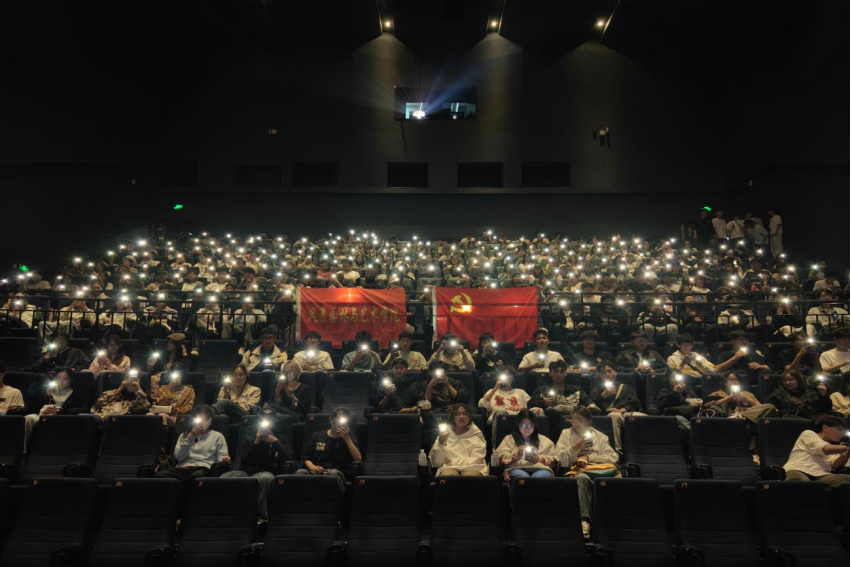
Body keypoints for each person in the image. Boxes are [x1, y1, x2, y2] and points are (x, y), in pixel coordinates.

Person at [554, 406, 619, 539]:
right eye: (573, 420)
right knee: (582, 479)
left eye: (580, 420)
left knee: (618, 478)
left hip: (598, 469)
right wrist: (575, 448)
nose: (576, 423)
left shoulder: (600, 436)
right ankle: (584, 522)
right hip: (577, 470)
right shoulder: (566, 434)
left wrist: (590, 457)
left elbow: (613, 457)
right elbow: (558, 457)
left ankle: (614, 522)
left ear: (588, 420)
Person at [221, 416, 294, 522]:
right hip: (246, 471)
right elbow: (245, 459)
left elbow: (288, 458)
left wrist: (276, 443)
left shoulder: (280, 438)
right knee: (224, 477)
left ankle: (262, 518)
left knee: (265, 478)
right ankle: (225, 515)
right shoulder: (250, 438)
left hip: (268, 471)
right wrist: (257, 441)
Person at [296, 407, 362, 497]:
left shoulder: (349, 438)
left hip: (337, 472)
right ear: (331, 421)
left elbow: (358, 459)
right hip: (316, 470)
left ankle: (333, 503)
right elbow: (306, 458)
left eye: (340, 424)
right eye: (334, 423)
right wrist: (313, 468)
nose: (337, 427)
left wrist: (347, 439)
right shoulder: (317, 436)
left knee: (332, 474)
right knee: (300, 472)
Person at [155, 405, 230, 482]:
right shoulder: (184, 436)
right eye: (200, 419)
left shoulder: (218, 436)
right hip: (183, 468)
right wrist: (191, 437)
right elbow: (179, 457)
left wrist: (225, 459)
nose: (203, 422)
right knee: (160, 475)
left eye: (206, 419)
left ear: (211, 420)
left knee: (197, 476)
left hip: (203, 468)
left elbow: (222, 458)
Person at [529, 360, 600, 434]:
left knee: (594, 410)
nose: (559, 374)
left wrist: (591, 404)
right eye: (555, 371)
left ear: (566, 373)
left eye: (562, 371)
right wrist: (544, 402)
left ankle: (589, 435)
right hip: (553, 418)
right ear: (550, 373)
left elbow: (587, 401)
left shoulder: (576, 389)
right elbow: (530, 404)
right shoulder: (542, 390)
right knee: (549, 411)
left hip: (574, 416)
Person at [589, 362, 646, 453]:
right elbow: (593, 408)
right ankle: (617, 452)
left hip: (626, 413)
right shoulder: (595, 391)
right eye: (604, 372)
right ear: (599, 375)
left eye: (610, 371)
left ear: (615, 372)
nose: (608, 374)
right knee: (614, 415)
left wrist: (621, 410)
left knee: (643, 417)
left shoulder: (625, 387)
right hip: (609, 416)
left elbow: (635, 402)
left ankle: (645, 450)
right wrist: (603, 396)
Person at [478, 369, 543, 445]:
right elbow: (481, 406)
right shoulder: (491, 392)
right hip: (500, 417)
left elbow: (532, 404)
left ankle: (540, 444)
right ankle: (496, 446)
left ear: (513, 378)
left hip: (521, 417)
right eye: (503, 375)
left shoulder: (520, 392)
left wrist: (523, 408)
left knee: (538, 410)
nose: (505, 378)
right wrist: (495, 388)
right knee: (500, 411)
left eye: (508, 375)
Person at [782, 415, 849, 488]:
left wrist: (846, 455)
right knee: (801, 481)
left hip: (821, 474)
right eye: (840, 429)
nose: (842, 433)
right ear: (825, 428)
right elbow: (825, 449)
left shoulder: (834, 447)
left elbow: (834, 465)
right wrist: (847, 447)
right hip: (798, 469)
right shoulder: (808, 434)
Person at [495, 409, 556, 482]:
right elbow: (500, 455)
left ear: (535, 425)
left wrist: (538, 459)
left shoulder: (545, 440)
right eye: (523, 425)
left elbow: (554, 457)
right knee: (522, 478)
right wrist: (516, 456)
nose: (527, 428)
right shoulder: (509, 439)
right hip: (516, 468)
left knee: (542, 476)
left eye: (530, 425)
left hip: (540, 468)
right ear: (518, 425)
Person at [428, 403, 487, 477]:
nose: (461, 417)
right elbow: (436, 463)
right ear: (453, 417)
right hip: (449, 469)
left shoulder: (476, 435)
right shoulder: (444, 434)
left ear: (469, 417)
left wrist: (453, 463)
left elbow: (476, 460)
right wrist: (441, 443)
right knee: (448, 475)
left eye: (465, 414)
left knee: (471, 476)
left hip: (472, 468)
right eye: (458, 414)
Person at [704, 371, 777, 423]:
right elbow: (707, 405)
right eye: (730, 380)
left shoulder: (747, 394)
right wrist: (727, 399)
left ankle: (740, 416)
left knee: (770, 406)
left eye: (736, 380)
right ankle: (738, 417)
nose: (734, 382)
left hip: (748, 415)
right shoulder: (718, 393)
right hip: (728, 415)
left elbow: (761, 407)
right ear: (724, 382)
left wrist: (748, 399)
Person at [767, 370, 833, 419]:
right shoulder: (777, 395)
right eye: (784, 381)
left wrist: (823, 395)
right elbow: (771, 410)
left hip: (813, 418)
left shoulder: (810, 393)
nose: (787, 382)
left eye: (791, 380)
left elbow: (827, 409)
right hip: (790, 420)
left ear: (798, 381)